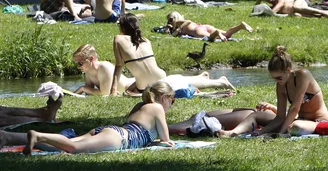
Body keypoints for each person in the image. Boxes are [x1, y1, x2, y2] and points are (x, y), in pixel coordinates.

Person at [22, 81, 176, 156]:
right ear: (164, 97)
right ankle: (38, 136)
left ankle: (39, 140)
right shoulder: (157, 108)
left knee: (66, 145)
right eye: (172, 100)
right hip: (119, 138)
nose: (172, 104)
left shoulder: (140, 105)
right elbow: (166, 140)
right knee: (73, 148)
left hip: (112, 131)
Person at [111, 14, 235, 96]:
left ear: (122, 27)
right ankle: (204, 77)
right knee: (133, 87)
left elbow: (118, 66)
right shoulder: (145, 40)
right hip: (159, 77)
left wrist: (113, 89)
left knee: (130, 91)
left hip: (146, 86)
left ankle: (220, 82)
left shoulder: (118, 39)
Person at [217, 47, 328, 137]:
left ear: (288, 70)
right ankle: (232, 133)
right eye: (274, 78)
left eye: (279, 78)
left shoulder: (303, 75)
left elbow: (295, 108)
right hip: (298, 119)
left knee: (295, 126)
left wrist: (280, 133)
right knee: (256, 114)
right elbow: (280, 117)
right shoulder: (281, 85)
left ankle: (285, 131)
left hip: (318, 121)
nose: (277, 81)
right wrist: (262, 131)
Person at [74, 43, 231, 95]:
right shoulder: (88, 71)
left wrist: (82, 89)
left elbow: (104, 93)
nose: (79, 67)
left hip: (137, 85)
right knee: (175, 81)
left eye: (80, 63)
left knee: (175, 84)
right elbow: (88, 88)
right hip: (133, 85)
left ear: (92, 59)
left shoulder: (104, 68)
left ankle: (219, 81)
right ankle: (202, 78)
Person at [165, 11, 253, 42]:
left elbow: (188, 21)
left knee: (212, 38)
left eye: (170, 20)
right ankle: (240, 26)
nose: (169, 22)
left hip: (197, 30)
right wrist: (168, 27)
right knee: (226, 34)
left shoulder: (178, 23)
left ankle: (216, 33)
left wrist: (178, 28)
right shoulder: (174, 26)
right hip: (204, 26)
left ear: (175, 18)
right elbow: (166, 32)